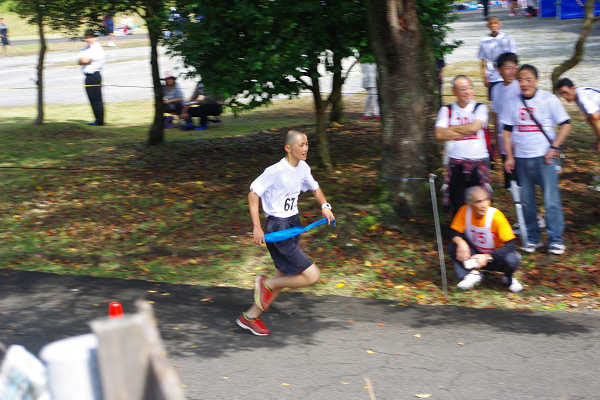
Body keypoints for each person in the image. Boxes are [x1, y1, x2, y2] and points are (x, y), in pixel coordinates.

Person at [236, 130, 335, 336]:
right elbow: (253, 194)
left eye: (307, 144)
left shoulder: (303, 168)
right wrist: (257, 226)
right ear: (288, 148)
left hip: (292, 223)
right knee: (312, 275)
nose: (305, 148)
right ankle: (266, 283)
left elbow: (315, 188)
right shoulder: (275, 171)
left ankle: (250, 318)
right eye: (301, 145)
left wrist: (325, 206)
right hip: (278, 228)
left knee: (284, 276)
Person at [501, 64, 571, 255]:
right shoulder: (512, 102)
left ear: (537, 81)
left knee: (551, 200)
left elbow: (566, 124)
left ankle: (555, 239)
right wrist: (509, 156)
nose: (524, 83)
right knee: (527, 202)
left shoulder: (548, 99)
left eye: (528, 79)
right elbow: (506, 132)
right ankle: (533, 237)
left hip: (545, 158)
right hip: (522, 159)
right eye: (520, 80)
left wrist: (554, 147)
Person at [435, 75, 491, 216]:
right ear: (454, 91)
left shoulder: (480, 108)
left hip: (478, 161)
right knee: (458, 203)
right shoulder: (446, 110)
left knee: (481, 203)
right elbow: (439, 134)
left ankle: (479, 229)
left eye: (469, 88)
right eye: (462, 89)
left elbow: (475, 127)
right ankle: (459, 229)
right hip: (455, 163)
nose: (467, 92)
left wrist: (451, 130)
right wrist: (467, 129)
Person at [450, 186, 523, 292]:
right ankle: (470, 274)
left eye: (486, 200)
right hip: (475, 256)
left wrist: (487, 257)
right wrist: (461, 242)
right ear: (470, 203)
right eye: (479, 202)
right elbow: (454, 232)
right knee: (454, 245)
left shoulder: (496, 216)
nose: (484, 205)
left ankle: (508, 277)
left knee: (512, 259)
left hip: (495, 257)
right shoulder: (464, 211)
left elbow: (511, 245)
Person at [490, 52, 520, 189]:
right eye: (508, 68)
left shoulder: (520, 87)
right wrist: (496, 141)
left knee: (521, 179)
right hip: (504, 140)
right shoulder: (496, 89)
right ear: (499, 70)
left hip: (520, 140)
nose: (512, 71)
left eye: (514, 67)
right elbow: (496, 115)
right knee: (510, 179)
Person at [555, 78, 600, 152]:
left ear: (573, 88)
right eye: (561, 94)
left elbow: (595, 117)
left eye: (565, 92)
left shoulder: (582, 97)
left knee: (592, 118)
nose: (564, 96)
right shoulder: (577, 95)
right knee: (589, 118)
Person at [478, 16, 516, 100]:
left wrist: (513, 74)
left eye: (495, 23)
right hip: (492, 76)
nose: (493, 25)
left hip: (505, 75)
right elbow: (483, 61)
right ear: (488, 26)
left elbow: (513, 58)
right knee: (494, 100)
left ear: (499, 24)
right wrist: (484, 76)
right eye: (491, 24)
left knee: (508, 98)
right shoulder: (484, 41)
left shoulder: (507, 39)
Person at [78, 29, 105, 126]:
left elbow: (87, 60)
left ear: (95, 38)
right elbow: (79, 61)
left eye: (90, 37)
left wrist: (84, 60)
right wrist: (83, 60)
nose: (87, 39)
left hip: (94, 76)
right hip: (87, 77)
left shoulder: (97, 48)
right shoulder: (86, 49)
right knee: (91, 100)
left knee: (97, 100)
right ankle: (97, 119)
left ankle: (100, 121)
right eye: (86, 37)